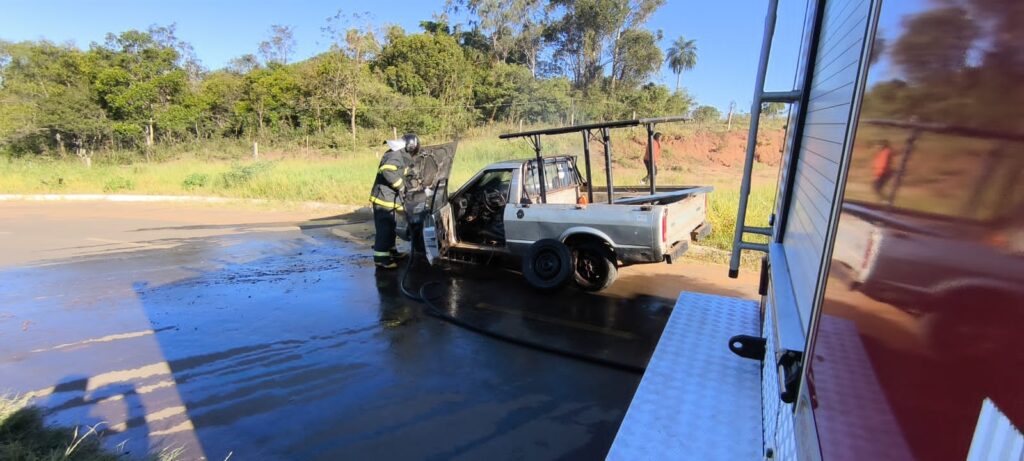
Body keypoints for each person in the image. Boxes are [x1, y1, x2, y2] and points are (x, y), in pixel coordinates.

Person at [370, 133, 420, 269]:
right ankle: (381, 258)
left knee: (391, 226)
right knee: (384, 229)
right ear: (411, 146)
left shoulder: (399, 154)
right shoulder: (395, 155)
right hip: (383, 199)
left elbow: (399, 171)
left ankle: (391, 250)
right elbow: (387, 171)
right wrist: (401, 185)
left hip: (388, 198)